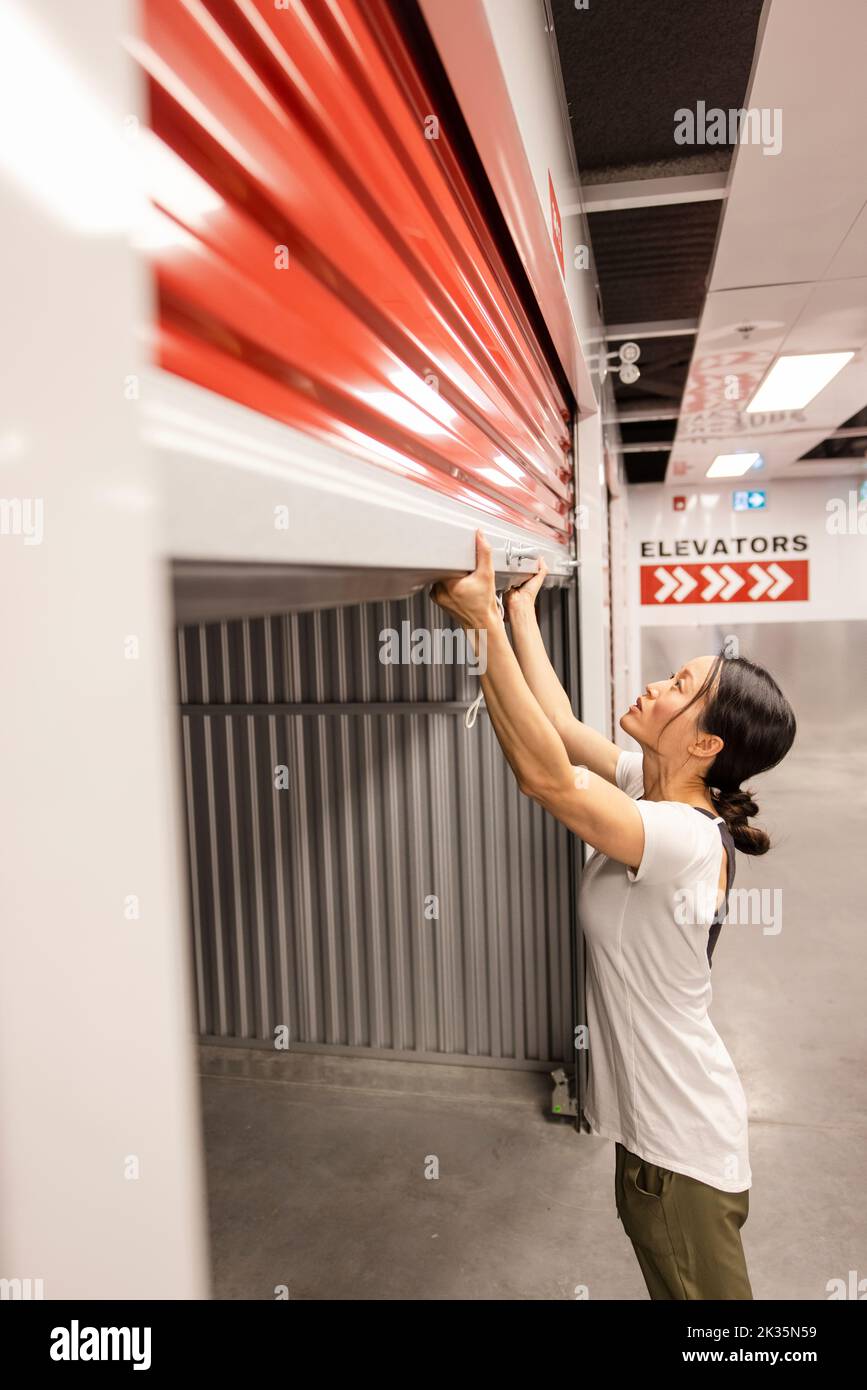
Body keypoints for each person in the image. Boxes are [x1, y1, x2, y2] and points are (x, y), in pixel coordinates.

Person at [431, 530, 797, 1300]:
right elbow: (561, 731)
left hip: (683, 1156)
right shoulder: (657, 787)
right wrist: (515, 612)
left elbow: (546, 780)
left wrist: (481, 630)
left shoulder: (681, 837)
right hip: (659, 1146)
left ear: (703, 742)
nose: (653, 685)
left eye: (677, 685)